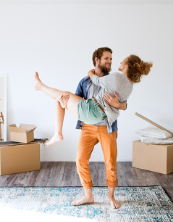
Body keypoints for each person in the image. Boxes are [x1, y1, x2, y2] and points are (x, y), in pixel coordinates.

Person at [34, 47, 152, 209]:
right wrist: (66, 103)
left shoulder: (114, 78)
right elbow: (79, 99)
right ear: (97, 60)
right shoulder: (84, 81)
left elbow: (124, 103)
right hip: (88, 125)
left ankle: (111, 197)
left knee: (110, 163)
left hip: (107, 127)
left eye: (111, 58)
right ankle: (88, 195)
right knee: (80, 160)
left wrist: (118, 104)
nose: (110, 61)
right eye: (107, 58)